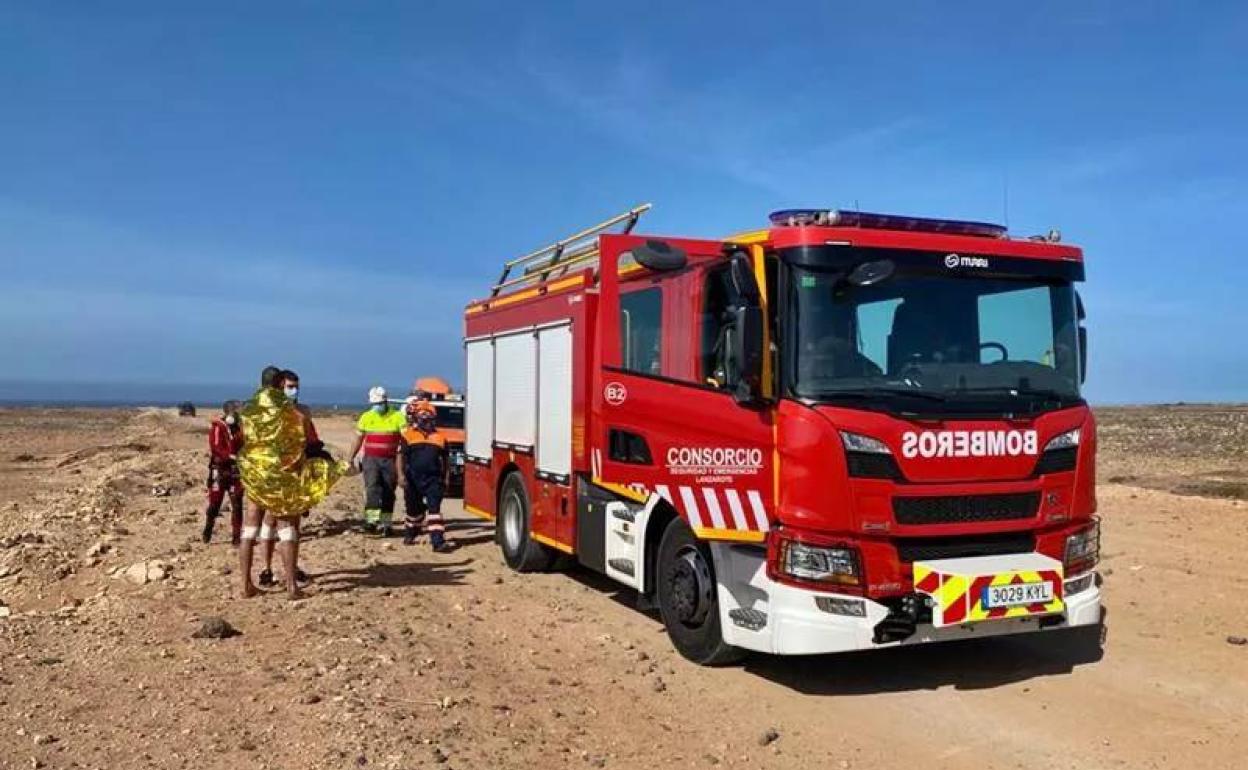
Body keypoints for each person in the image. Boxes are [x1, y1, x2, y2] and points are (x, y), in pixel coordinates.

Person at [237, 365, 347, 599]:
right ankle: (291, 587)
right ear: (279, 385)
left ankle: (246, 584)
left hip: (256, 475)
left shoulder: (247, 410)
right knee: (288, 528)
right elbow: (307, 441)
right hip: (284, 476)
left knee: (250, 528)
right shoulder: (295, 412)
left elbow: (243, 440)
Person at [257, 369, 320, 588]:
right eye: (289, 386)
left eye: (296, 386)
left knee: (291, 524)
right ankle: (270, 570)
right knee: (273, 522)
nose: (294, 390)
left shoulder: (303, 412)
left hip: (296, 472)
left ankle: (288, 569)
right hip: (273, 474)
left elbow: (312, 442)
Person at [346, 386, 406, 536]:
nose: (378, 406)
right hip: (371, 460)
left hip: (391, 460)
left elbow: (406, 441)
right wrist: (350, 457)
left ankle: (386, 523)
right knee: (372, 489)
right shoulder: (367, 417)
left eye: (380, 403)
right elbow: (358, 439)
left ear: (386, 401)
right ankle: (371, 522)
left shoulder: (398, 416)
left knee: (388, 491)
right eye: (375, 404)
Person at [398, 399, 451, 551]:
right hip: (412, 478)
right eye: (422, 417)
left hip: (434, 479)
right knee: (413, 510)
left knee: (434, 510)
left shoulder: (440, 438)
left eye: (429, 417)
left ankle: (437, 541)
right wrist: (401, 475)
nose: (426, 420)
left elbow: (446, 460)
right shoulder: (408, 436)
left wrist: (446, 478)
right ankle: (411, 532)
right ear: (417, 418)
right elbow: (400, 456)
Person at [202, 400, 244, 544]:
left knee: (237, 503)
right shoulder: (218, 428)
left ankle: (236, 537)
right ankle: (209, 526)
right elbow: (215, 447)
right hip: (219, 471)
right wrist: (229, 455)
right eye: (237, 412)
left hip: (236, 471)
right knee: (215, 504)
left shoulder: (239, 429)